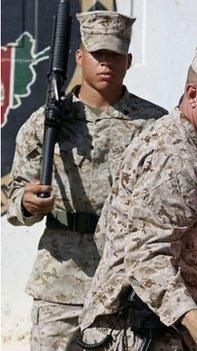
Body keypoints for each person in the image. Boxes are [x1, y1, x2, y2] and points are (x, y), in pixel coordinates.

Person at [78, 44, 197, 350]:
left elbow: (112, 234)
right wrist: (187, 314)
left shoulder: (181, 139)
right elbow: (144, 249)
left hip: (146, 323)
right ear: (192, 95)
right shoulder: (175, 157)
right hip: (137, 330)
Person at [5, 11, 166, 350]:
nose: (106, 63)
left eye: (115, 54)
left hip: (125, 283)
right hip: (60, 282)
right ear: (80, 57)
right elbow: (15, 196)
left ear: (129, 59)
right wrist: (27, 202)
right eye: (98, 54)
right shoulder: (47, 123)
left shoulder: (155, 125)